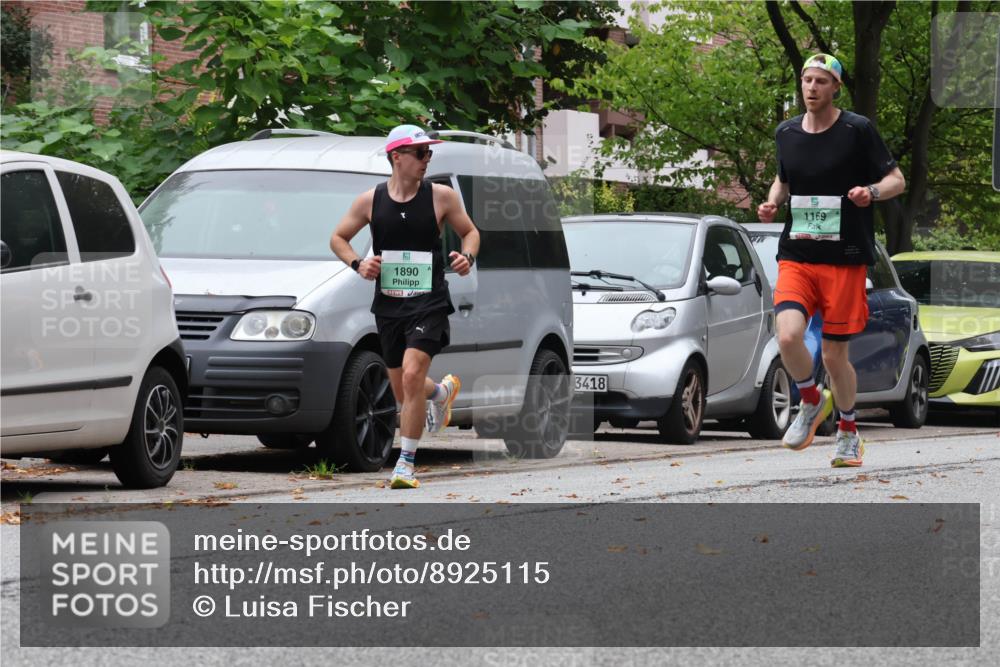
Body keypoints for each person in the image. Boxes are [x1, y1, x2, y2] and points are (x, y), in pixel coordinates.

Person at [757, 54, 905, 468]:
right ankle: (810, 399)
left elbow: (897, 181)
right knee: (787, 336)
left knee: (835, 357)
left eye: (821, 81)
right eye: (806, 80)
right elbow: (784, 180)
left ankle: (849, 432)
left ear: (835, 87)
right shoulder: (786, 132)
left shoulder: (858, 130)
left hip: (845, 258)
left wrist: (871, 193)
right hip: (798, 255)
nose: (811, 88)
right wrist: (772, 203)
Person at [331, 124, 481, 488]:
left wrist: (467, 257)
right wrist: (358, 264)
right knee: (403, 390)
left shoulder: (441, 197)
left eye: (429, 153)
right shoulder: (370, 201)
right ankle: (441, 393)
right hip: (388, 305)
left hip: (428, 302)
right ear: (396, 156)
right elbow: (338, 238)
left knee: (413, 375)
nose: (426, 159)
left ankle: (405, 464)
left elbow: (471, 232)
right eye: (420, 153)